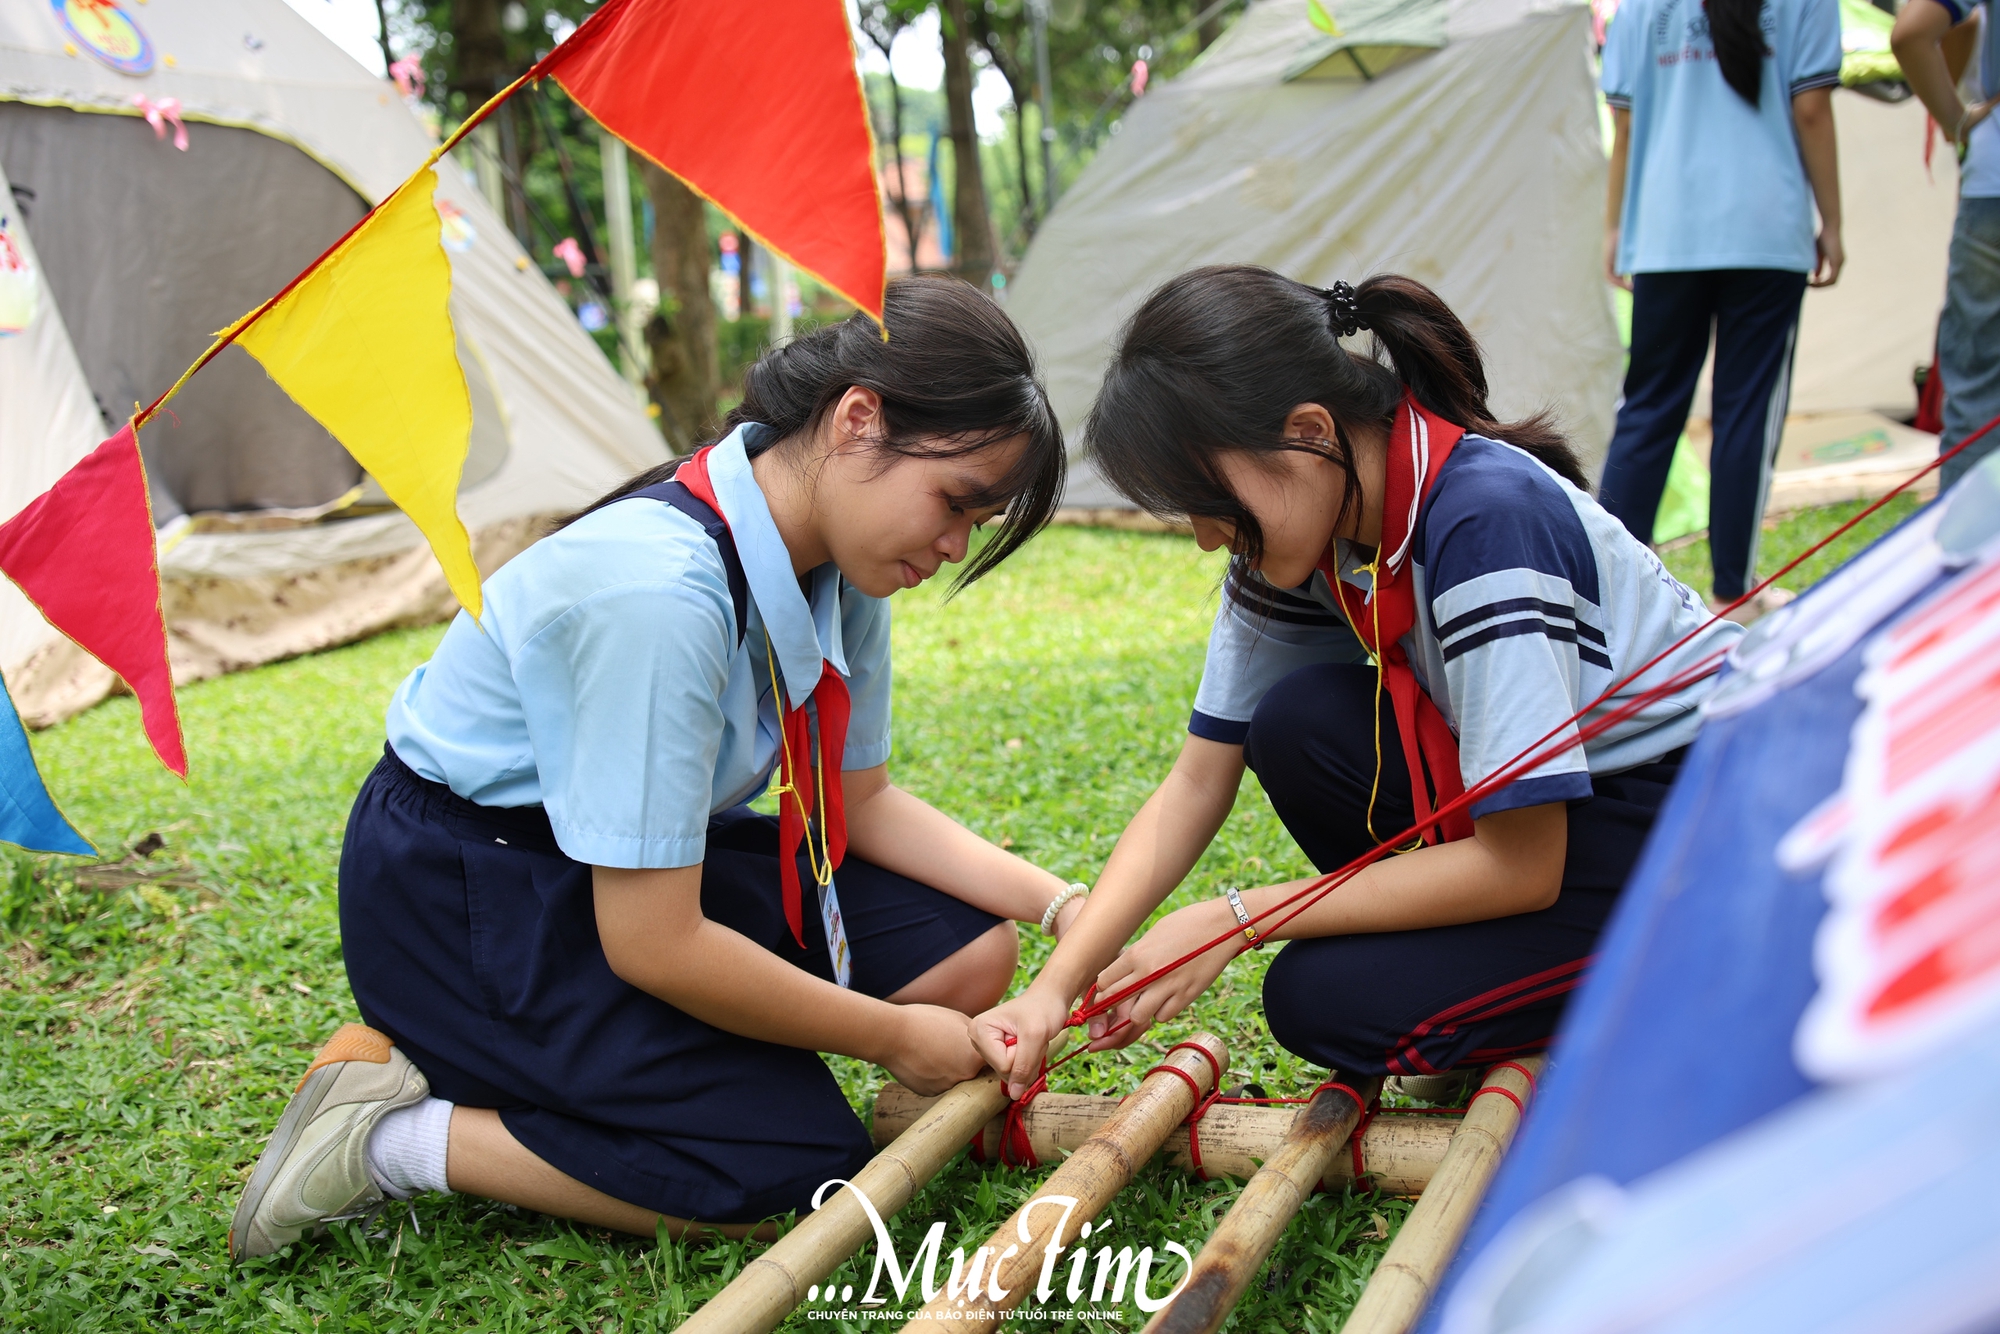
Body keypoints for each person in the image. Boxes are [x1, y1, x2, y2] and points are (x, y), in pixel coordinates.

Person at [229, 277, 1084, 1261]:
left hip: (621, 864)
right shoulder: (659, 594)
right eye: (955, 503)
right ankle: (390, 1137)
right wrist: (887, 1039)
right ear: (857, 422)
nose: (952, 544)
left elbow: (865, 802)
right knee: (803, 1175)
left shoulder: (841, 564)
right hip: (468, 895)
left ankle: (662, 1069)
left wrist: (1065, 908)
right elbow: (653, 943)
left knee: (968, 953)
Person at [970, 268, 1742, 1096]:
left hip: (1696, 828)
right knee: (1297, 723)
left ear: (1309, 431)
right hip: (1568, 820)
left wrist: (1240, 917)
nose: (1202, 537)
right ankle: (1498, 992)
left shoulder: (1486, 523)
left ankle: (1698, 971)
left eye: (1207, 501)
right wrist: (1050, 993)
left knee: (1319, 998)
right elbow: (1198, 781)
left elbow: (1524, 867)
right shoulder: (1315, 530)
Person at [1595, 0, 1845, 622]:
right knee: (1745, 411)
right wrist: (1833, 220)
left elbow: (1623, 125)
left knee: (1649, 407)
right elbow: (1810, 109)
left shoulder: (1638, 9)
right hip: (1765, 230)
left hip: (1664, 232)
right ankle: (1735, 593)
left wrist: (1615, 229)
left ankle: (1605, 597)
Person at [1895, 0, 2000, 488]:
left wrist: (1959, 124)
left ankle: (1963, 558)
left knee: (1975, 390)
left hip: (1992, 185)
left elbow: (1912, 32)